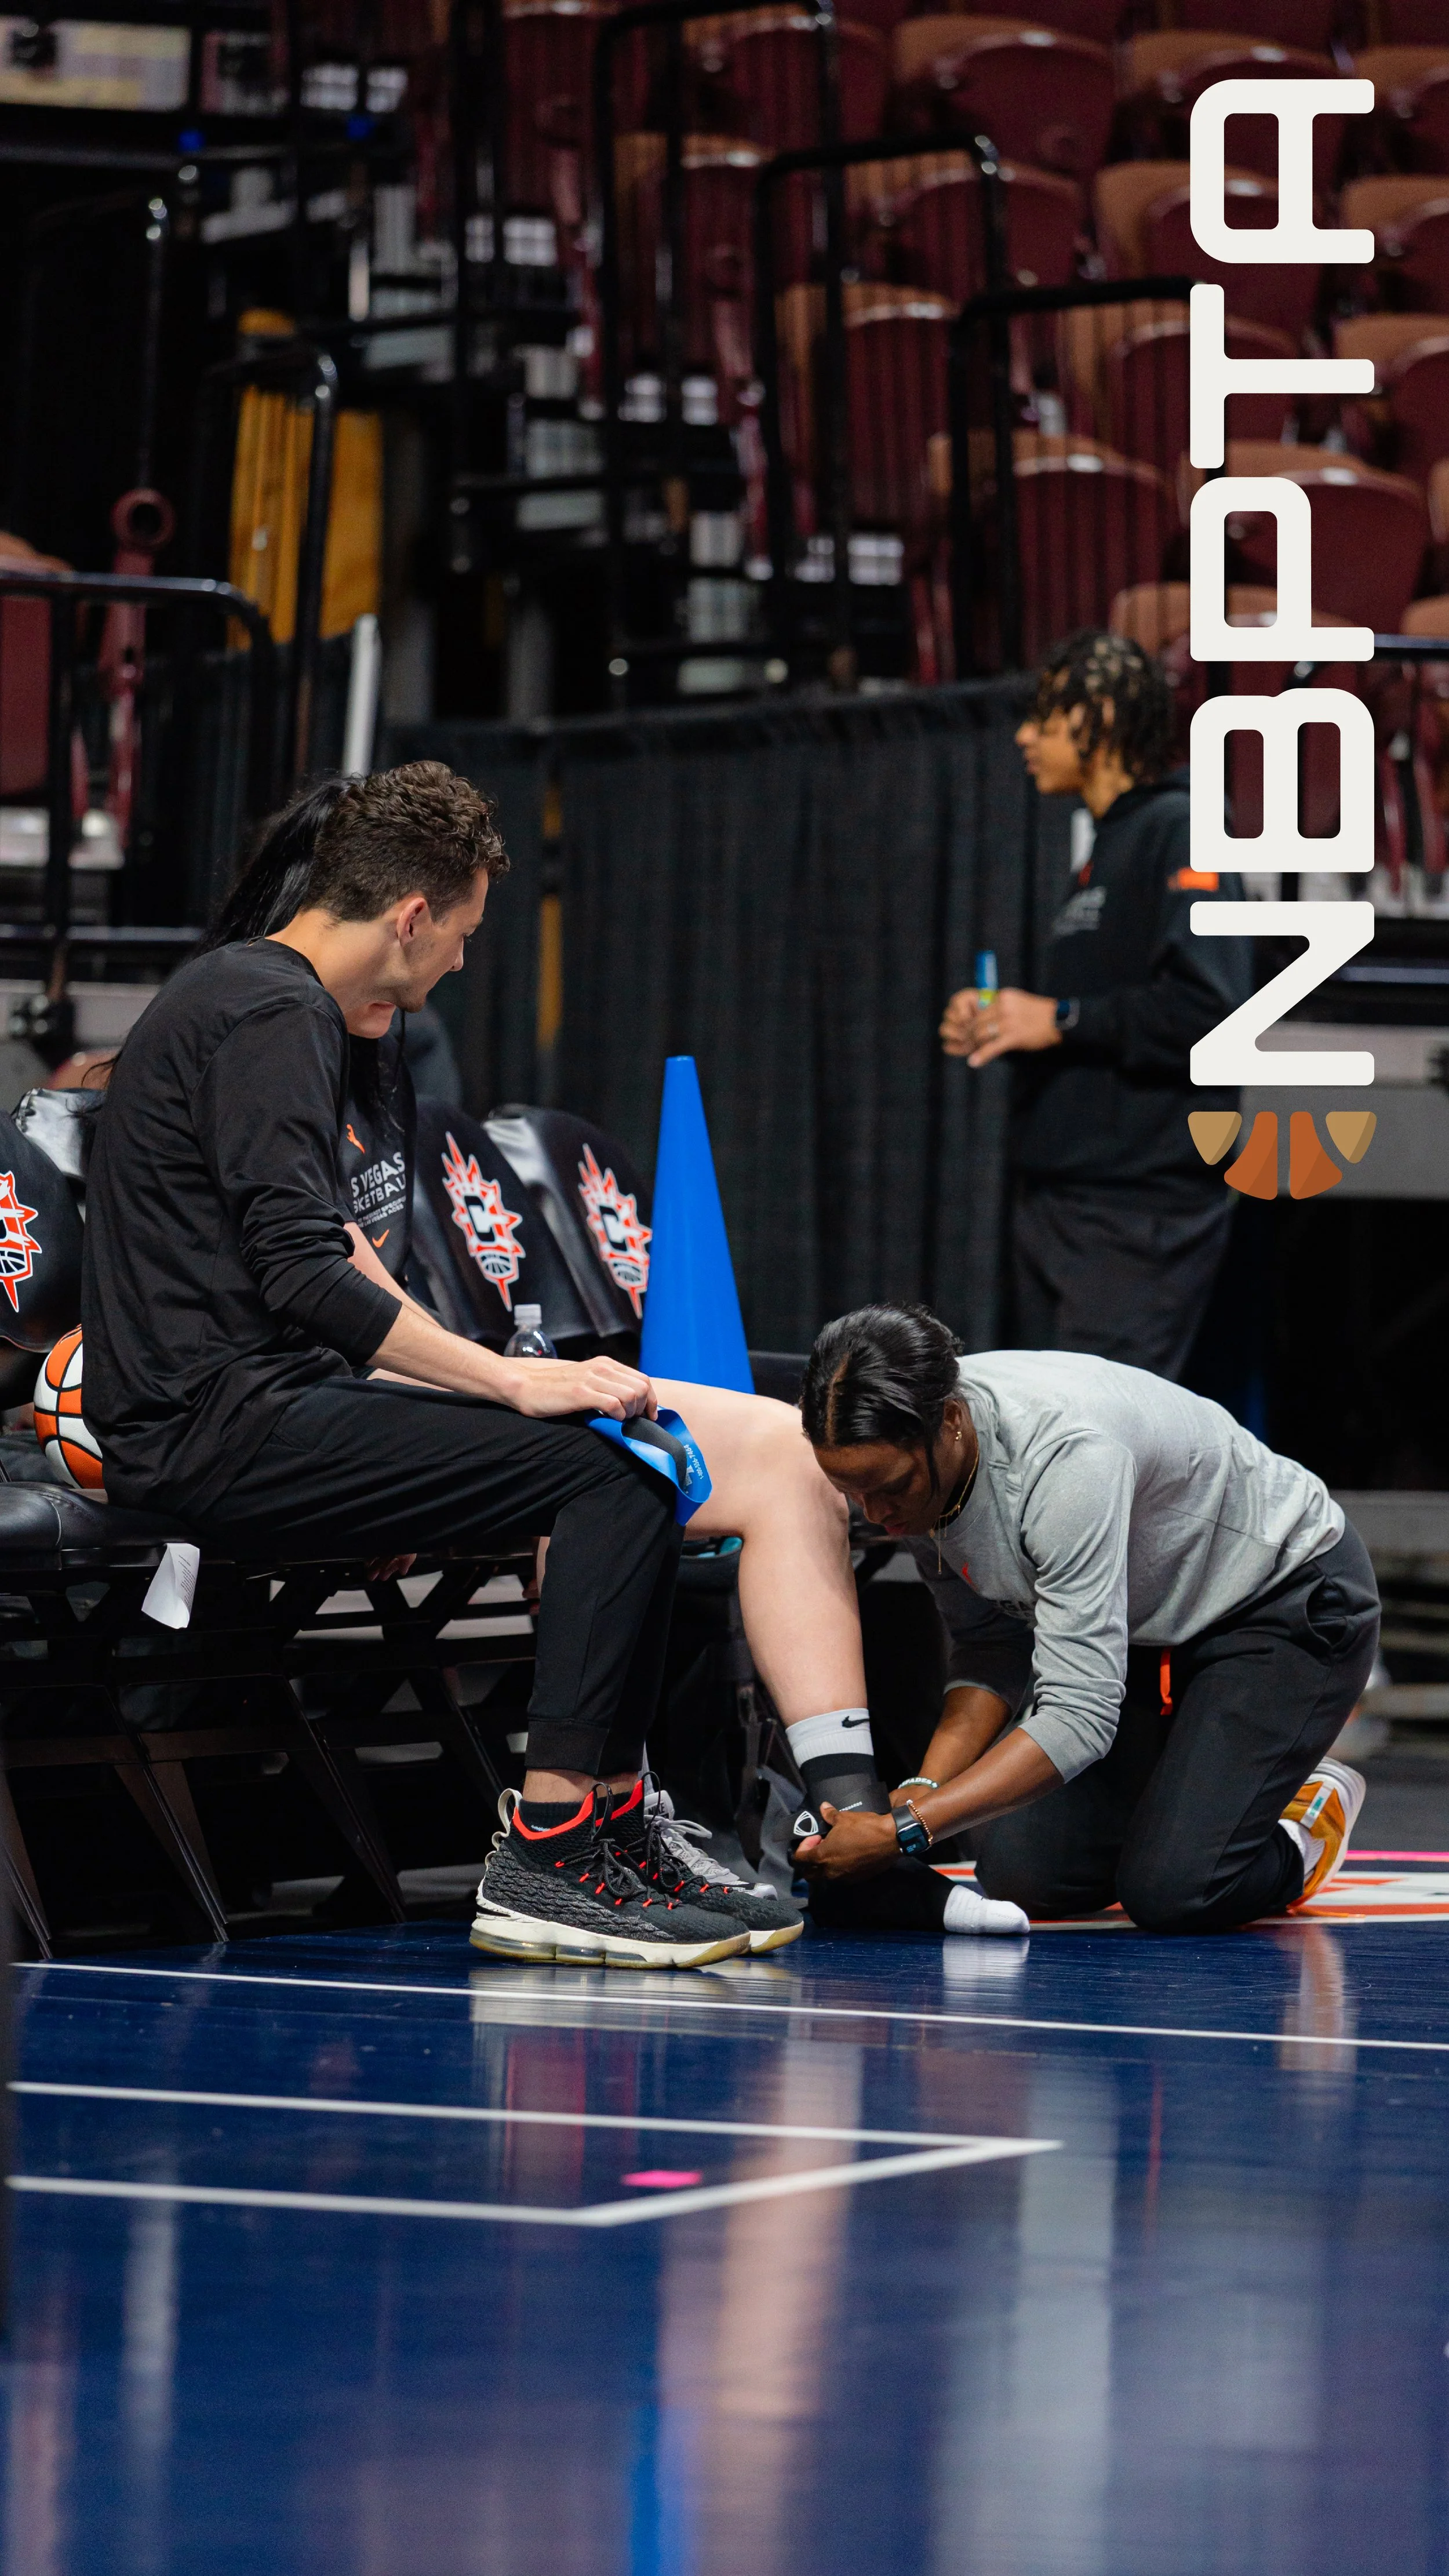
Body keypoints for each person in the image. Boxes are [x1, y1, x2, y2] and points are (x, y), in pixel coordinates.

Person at [80, 762, 935, 1967]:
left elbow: (334, 1254)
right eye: (466, 935)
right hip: (215, 1430)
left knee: (634, 1454)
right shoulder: (269, 1012)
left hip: (276, 1405)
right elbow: (300, 1278)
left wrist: (481, 1381)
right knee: (607, 1473)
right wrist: (514, 1381)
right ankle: (554, 1842)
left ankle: (609, 1821)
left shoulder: (293, 1010)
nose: (463, 965)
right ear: (412, 916)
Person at [793, 1304, 1379, 1934]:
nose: (875, 1514)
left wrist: (906, 1830)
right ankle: (1199, 1785)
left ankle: (1303, 1817)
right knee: (1026, 1877)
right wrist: (924, 1786)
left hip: (1282, 1601)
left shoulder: (1065, 1466)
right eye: (852, 1492)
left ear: (953, 1423)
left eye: (889, 1488)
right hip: (1144, 1622)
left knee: (1176, 1892)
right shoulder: (917, 1450)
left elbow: (1078, 1717)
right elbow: (990, 1643)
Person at [939, 630, 1253, 1382]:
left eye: (1044, 720)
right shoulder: (1103, 847)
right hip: (1068, 1207)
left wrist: (1056, 1020)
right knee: (1054, 1444)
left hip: (1136, 1214)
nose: (1023, 737)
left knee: (1100, 1451)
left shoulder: (1183, 827)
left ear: (1100, 718)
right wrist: (1011, 1023)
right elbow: (1107, 1010)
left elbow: (1212, 1014)